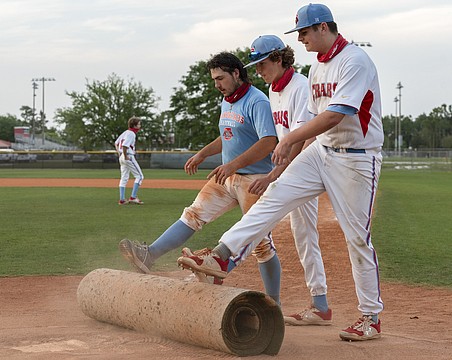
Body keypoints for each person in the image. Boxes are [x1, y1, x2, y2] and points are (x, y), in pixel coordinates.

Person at [178, 3, 384, 341]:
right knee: (272, 199)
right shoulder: (318, 68)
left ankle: (370, 317)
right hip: (321, 150)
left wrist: (289, 143)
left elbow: (334, 115)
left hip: (356, 158)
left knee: (357, 236)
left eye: (303, 31)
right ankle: (223, 256)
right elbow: (318, 124)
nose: (300, 38)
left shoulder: (354, 60)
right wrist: (287, 158)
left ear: (322, 28)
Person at [119, 52, 283, 304]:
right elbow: (227, 136)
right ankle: (149, 255)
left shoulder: (256, 101)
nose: (217, 85)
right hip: (226, 176)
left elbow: (268, 142)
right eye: (214, 79)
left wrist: (232, 165)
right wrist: (202, 155)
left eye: (220, 78)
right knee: (193, 214)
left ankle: (273, 302)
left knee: (260, 244)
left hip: (255, 180)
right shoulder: (227, 101)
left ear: (236, 73)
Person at [242, 34, 331, 325]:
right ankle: (320, 306)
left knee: (264, 217)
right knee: (303, 233)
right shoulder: (272, 88)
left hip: (306, 167)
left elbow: (303, 138)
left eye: (262, 63)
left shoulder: (300, 86)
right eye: (255, 65)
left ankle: (221, 259)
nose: (258, 71)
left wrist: (274, 175)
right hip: (290, 168)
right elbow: (281, 139)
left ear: (279, 59)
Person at [114, 116, 144, 205]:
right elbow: (125, 145)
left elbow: (116, 143)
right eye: (138, 124)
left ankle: (122, 199)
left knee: (124, 177)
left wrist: (120, 154)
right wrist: (125, 155)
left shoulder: (125, 132)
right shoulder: (131, 133)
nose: (140, 126)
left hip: (122, 157)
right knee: (139, 176)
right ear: (134, 125)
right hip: (128, 156)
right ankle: (133, 197)